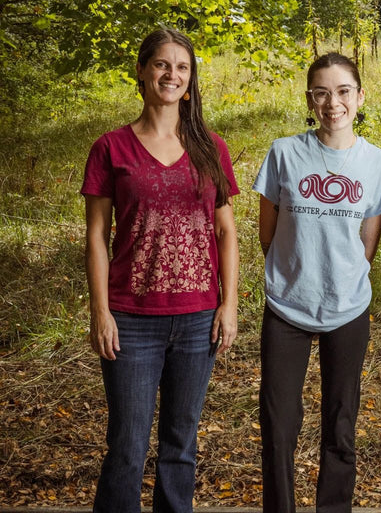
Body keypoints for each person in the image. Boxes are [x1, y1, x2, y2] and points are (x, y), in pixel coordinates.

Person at [82, 28, 240, 512]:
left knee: (180, 446)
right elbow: (96, 236)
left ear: (190, 82)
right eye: (162, 64)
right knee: (127, 447)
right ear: (142, 70)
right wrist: (101, 312)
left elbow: (227, 232)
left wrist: (229, 305)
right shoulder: (111, 148)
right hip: (131, 319)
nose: (172, 74)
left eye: (182, 67)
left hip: (197, 320)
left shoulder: (210, 147)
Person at [253, 52, 381, 513]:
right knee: (279, 424)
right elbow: (268, 231)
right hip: (287, 305)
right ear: (310, 99)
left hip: (348, 307)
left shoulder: (377, 163)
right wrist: (294, 272)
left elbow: (368, 242)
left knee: (340, 422)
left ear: (359, 97)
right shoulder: (284, 152)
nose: (332, 102)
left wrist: (339, 275)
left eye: (342, 91)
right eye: (321, 92)